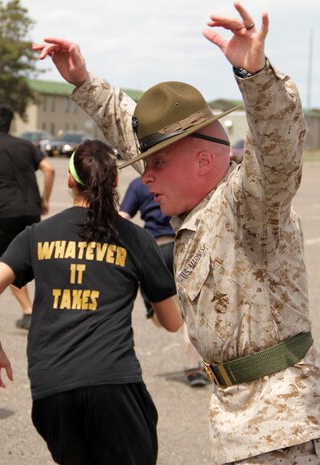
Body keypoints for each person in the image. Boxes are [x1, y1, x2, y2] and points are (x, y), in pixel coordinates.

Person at [32, 3, 320, 464]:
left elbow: (280, 147)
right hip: (240, 417)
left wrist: (257, 78)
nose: (144, 178)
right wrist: (85, 84)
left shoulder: (250, 205)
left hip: (280, 426)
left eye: (156, 166)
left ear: (205, 162)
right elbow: (139, 134)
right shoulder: (198, 205)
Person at [0, 139, 182, 465]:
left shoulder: (37, 235)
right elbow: (172, 323)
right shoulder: (135, 238)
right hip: (113, 384)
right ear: (114, 182)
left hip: (51, 387)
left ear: (70, 180)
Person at [0, 105, 55, 330]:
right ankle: (52, 307)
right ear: (9, 125)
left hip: (4, 214)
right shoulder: (26, 145)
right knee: (37, 261)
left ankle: (29, 311)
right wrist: (44, 199)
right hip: (30, 211)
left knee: (8, 262)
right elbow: (49, 169)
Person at [119, 177, 208, 387]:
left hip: (153, 252)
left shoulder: (140, 184)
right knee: (188, 314)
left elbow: (122, 217)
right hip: (183, 250)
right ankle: (194, 368)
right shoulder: (179, 176)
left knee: (160, 317)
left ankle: (193, 362)